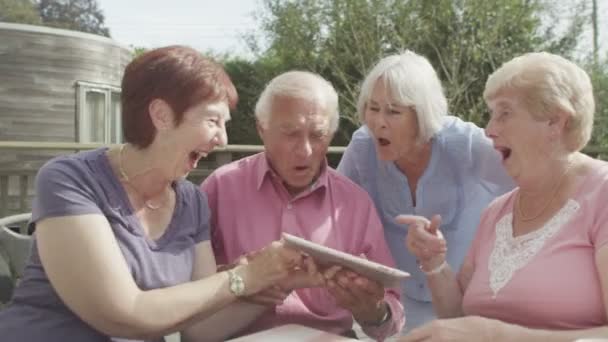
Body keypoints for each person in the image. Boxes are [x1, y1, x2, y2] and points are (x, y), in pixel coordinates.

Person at [0, 46, 307, 342]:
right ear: (161, 115)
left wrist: (272, 282)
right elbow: (123, 314)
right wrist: (245, 277)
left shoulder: (192, 201)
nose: (223, 140)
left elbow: (199, 329)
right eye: (213, 121)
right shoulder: (69, 179)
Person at [401, 52, 608, 341]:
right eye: (491, 114)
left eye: (505, 113)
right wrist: (434, 263)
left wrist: (497, 335)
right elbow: (459, 321)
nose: (489, 130)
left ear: (555, 122)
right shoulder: (496, 212)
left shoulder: (602, 193)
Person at [200, 70, 405, 340]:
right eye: (291, 133)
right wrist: (242, 277)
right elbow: (190, 289)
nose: (305, 150)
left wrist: (373, 312)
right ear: (262, 128)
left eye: (318, 134)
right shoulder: (220, 188)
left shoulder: (354, 203)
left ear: (331, 134)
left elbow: (391, 311)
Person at [337, 51, 514, 330]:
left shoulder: (468, 146)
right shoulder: (362, 148)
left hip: (470, 308)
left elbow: (534, 181)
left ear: (422, 115)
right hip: (397, 311)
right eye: (372, 107)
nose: (378, 122)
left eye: (393, 111)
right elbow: (333, 215)